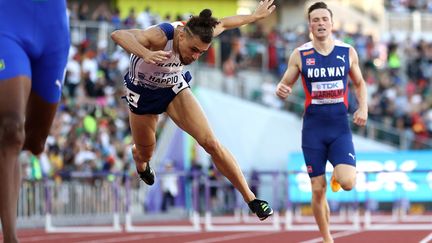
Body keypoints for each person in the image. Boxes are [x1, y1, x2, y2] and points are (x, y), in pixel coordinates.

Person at [111, 0, 276, 220]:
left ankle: (252, 199)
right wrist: (146, 53)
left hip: (173, 88)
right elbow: (118, 35)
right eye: (193, 50)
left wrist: (253, 17)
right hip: (143, 94)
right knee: (145, 152)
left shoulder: (202, 30)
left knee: (211, 143)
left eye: (201, 52)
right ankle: (139, 160)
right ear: (181, 37)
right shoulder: (160, 36)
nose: (195, 57)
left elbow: (226, 24)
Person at [275, 2, 367, 242]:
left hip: (339, 128)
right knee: (318, 190)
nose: (320, 23)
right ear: (310, 25)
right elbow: (284, 83)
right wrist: (281, 89)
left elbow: (359, 83)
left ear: (332, 23)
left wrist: (363, 107)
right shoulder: (300, 54)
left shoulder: (347, 52)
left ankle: (338, 173)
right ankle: (328, 239)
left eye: (324, 19)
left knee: (347, 182)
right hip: (313, 130)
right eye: (315, 20)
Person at [0, 0, 70, 242]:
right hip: (7, 18)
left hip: (52, 27)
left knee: (35, 142)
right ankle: (10, 236)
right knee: (11, 129)